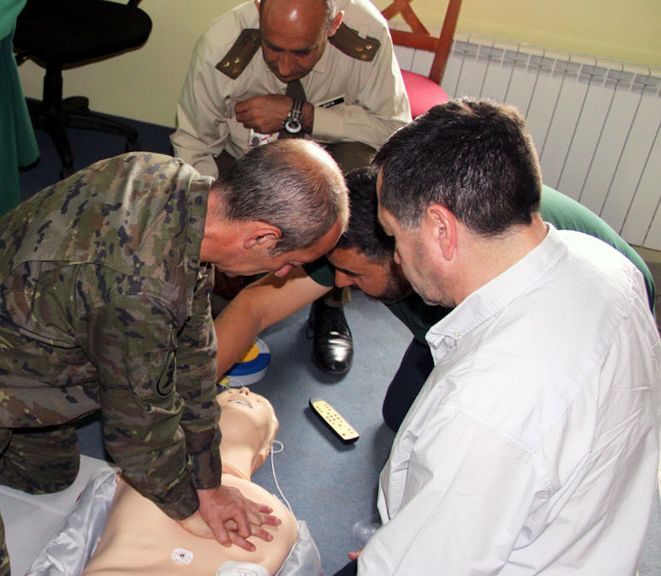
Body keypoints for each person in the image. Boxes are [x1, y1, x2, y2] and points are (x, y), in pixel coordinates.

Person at [0, 140, 349, 576]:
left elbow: (192, 349)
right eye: (290, 261)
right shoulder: (140, 284)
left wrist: (209, 475)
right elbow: (138, 436)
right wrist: (189, 505)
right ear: (258, 237)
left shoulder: (175, 185)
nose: (282, 276)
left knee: (49, 476)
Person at [350, 98, 661, 574]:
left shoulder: (485, 404)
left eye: (394, 235)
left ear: (441, 229)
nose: (395, 258)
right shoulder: (608, 265)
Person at [215, 167, 656, 432]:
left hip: (595, 292)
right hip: (455, 301)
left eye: (353, 274)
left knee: (486, 433)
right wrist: (188, 387)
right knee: (402, 416)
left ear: (405, 255)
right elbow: (255, 308)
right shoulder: (366, 236)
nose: (340, 283)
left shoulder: (471, 263)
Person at [172, 0, 411, 377]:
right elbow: (193, 143)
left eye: (302, 52)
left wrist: (300, 113)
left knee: (361, 171)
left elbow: (394, 130)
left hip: (327, 171)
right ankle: (212, 299)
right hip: (247, 168)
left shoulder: (367, 36)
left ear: (334, 26)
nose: (284, 67)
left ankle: (329, 301)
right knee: (217, 267)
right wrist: (219, 228)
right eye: (273, 48)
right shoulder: (221, 44)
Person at [73, 387, 308, 576]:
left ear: (263, 455)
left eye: (260, 404)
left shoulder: (278, 519)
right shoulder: (144, 472)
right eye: (226, 394)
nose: (244, 391)